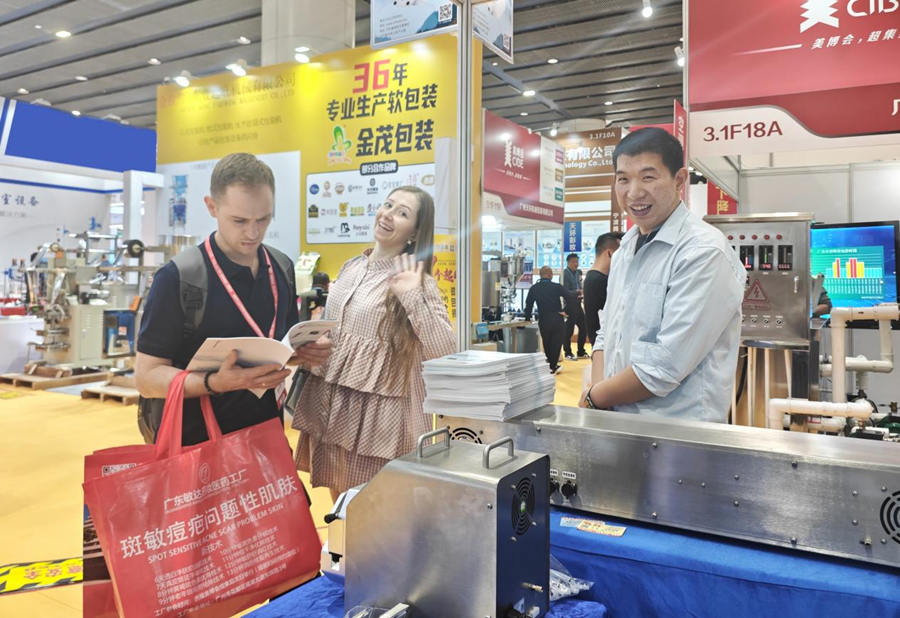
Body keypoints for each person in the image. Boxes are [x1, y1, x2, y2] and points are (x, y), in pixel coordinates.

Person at [135, 153, 332, 445]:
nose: (253, 232)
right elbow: (146, 379)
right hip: (197, 446)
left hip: (265, 438)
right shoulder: (179, 278)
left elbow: (277, 348)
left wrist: (303, 353)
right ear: (211, 207)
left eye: (263, 219)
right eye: (239, 220)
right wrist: (214, 383)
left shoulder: (281, 267)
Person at [290, 186, 455, 499]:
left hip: (381, 416)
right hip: (333, 404)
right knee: (340, 504)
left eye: (402, 213)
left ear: (415, 232)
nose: (388, 215)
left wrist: (411, 296)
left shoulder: (416, 279)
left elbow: (445, 350)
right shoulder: (352, 266)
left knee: (376, 510)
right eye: (388, 205)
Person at [581, 128, 745, 422]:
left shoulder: (703, 251)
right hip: (616, 420)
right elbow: (607, 331)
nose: (634, 193)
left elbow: (663, 367)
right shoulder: (625, 248)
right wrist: (598, 396)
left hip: (675, 430)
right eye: (623, 179)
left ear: (679, 180)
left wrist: (595, 397)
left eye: (648, 177)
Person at [524, 266, 575, 374]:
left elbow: (528, 304)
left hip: (544, 319)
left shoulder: (534, 288)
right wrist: (566, 311)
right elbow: (570, 297)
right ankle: (553, 365)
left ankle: (551, 366)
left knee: (547, 343)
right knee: (556, 343)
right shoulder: (556, 287)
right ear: (550, 275)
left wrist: (527, 318)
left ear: (540, 275)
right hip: (557, 318)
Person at [583, 232, 623, 346]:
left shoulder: (593, 277)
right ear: (609, 253)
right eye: (621, 253)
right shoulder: (598, 280)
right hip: (605, 346)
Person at [562, 253, 588, 360]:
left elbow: (580, 285)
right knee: (569, 330)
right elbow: (564, 291)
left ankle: (581, 351)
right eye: (573, 262)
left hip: (578, 304)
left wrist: (582, 292)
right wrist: (577, 292)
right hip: (569, 305)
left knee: (584, 327)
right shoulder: (565, 274)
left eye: (577, 262)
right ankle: (567, 352)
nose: (576, 264)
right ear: (568, 262)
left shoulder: (578, 273)